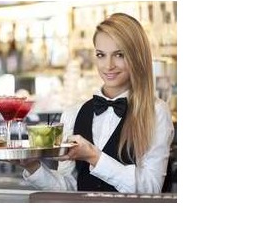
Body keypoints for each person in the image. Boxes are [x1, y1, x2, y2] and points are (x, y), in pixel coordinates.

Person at [19, 13, 174, 193]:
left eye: (119, 55)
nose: (108, 65)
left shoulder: (156, 112)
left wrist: (93, 156)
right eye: (101, 55)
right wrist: (32, 167)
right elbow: (70, 188)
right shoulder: (73, 113)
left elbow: (150, 188)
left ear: (137, 57)